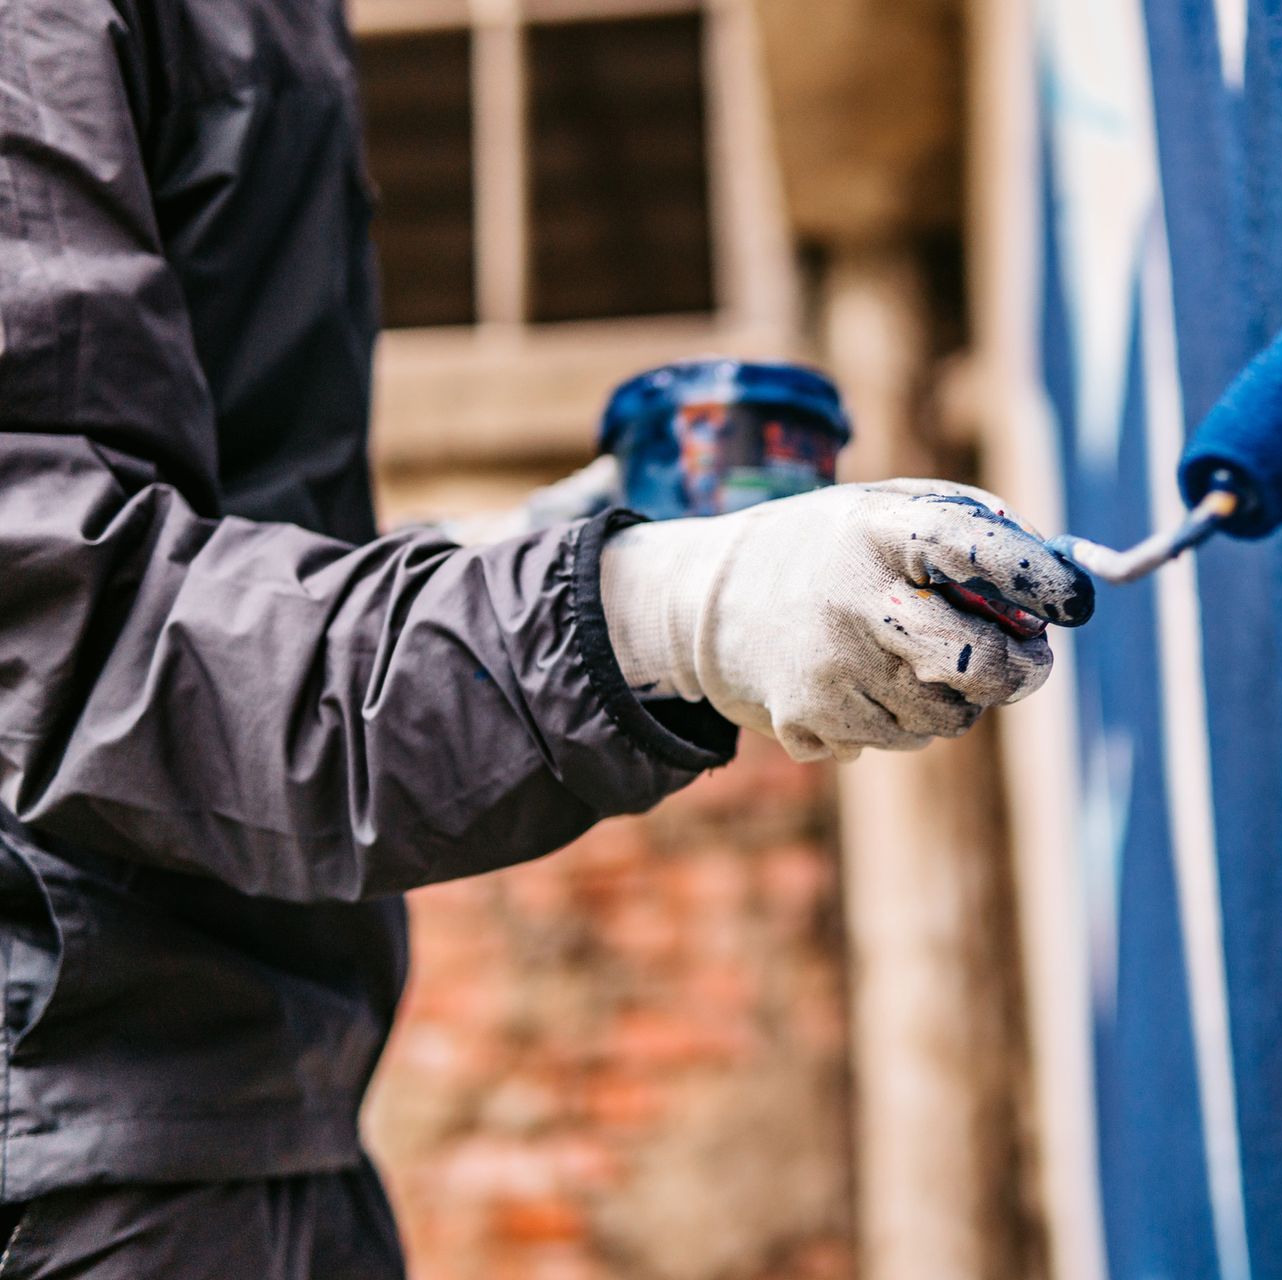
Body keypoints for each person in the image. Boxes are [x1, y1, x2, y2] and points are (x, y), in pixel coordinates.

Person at [0, 0, 1092, 1271]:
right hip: (83, 1149)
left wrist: (533, 548)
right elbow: (75, 636)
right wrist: (655, 611)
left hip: (236, 1105)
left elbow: (207, 547)